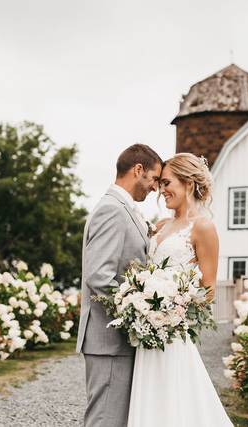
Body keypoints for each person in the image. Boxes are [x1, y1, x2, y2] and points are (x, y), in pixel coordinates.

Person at [127, 153, 233, 427]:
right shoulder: (160, 226)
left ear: (188, 183)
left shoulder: (203, 228)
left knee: (177, 401)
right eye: (160, 184)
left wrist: (174, 313)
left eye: (166, 183)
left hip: (172, 331)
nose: (161, 191)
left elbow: (208, 288)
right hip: (147, 327)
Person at [76, 143, 162, 426]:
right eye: (153, 180)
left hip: (115, 341)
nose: (154, 189)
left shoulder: (125, 209)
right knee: (105, 419)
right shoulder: (113, 209)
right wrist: (139, 314)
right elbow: (99, 276)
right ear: (138, 170)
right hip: (108, 339)